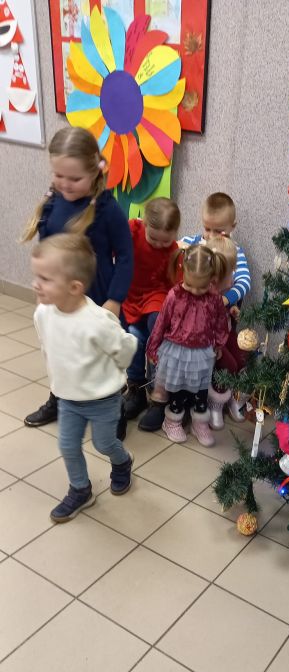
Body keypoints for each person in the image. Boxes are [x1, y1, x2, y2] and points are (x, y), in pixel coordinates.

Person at [22, 127, 133, 437]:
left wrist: (115, 299)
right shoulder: (52, 204)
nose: (65, 184)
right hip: (60, 298)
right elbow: (46, 254)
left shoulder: (107, 209)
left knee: (102, 356)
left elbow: (126, 256)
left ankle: (114, 408)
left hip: (99, 296)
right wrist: (43, 287)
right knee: (62, 350)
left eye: (74, 178)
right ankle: (59, 398)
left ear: (95, 171)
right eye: (58, 175)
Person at [31, 233, 137, 523]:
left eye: (45, 279)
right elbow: (48, 346)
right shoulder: (43, 313)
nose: (36, 284)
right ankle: (80, 489)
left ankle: (122, 462)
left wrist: (116, 373)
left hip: (102, 399)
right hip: (68, 397)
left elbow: (126, 346)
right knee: (67, 445)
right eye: (36, 276)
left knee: (104, 444)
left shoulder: (97, 322)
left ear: (75, 287)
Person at [146, 244, 229, 447]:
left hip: (202, 352)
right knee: (178, 390)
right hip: (177, 351)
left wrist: (219, 344)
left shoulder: (214, 298)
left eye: (202, 287)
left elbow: (220, 321)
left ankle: (199, 423)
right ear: (183, 272)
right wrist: (152, 348)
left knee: (201, 391)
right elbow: (162, 322)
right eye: (190, 285)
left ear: (212, 279)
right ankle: (172, 421)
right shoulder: (174, 295)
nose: (195, 291)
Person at [181, 192, 251, 424]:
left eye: (218, 231)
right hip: (197, 325)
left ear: (232, 227)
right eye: (207, 228)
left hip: (224, 322)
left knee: (236, 360)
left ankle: (225, 397)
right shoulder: (193, 243)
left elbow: (244, 282)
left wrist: (225, 300)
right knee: (216, 362)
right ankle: (206, 402)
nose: (210, 235)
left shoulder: (234, 251)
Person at [122, 197, 180, 421]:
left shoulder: (174, 250)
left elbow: (176, 285)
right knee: (133, 337)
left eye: (165, 241)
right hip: (131, 294)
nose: (158, 245)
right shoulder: (132, 230)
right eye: (153, 238)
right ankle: (135, 386)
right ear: (144, 223)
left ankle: (158, 388)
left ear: (175, 234)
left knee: (158, 325)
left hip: (157, 295)